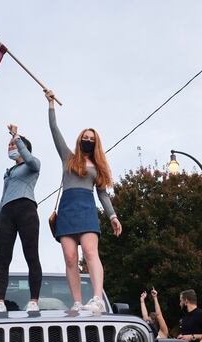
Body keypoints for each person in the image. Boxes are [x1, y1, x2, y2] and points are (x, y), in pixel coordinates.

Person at [45, 90, 122, 312]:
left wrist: (113, 216)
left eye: (91, 139)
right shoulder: (68, 157)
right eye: (85, 138)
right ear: (79, 140)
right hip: (67, 210)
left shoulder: (98, 167)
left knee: (90, 253)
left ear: (95, 143)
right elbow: (54, 130)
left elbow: (103, 194)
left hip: (87, 209)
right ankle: (77, 302)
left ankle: (97, 299)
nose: (87, 140)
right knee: (70, 258)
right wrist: (51, 105)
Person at [0, 125, 42, 313]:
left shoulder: (33, 164)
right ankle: (0, 301)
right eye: (9, 145)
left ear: (23, 147)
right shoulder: (9, 173)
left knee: (31, 255)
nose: (10, 147)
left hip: (26, 209)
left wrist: (16, 136)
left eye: (13, 145)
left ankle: (34, 300)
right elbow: (3, 197)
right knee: (3, 258)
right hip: (7, 213)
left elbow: (29, 159)